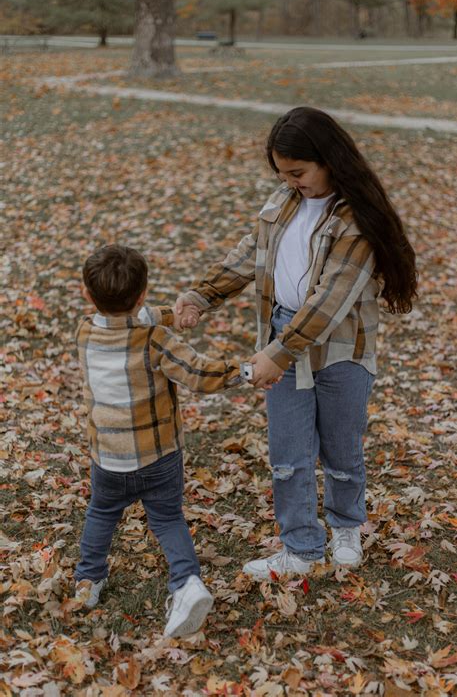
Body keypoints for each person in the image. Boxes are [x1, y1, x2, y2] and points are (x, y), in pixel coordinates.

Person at [175, 106, 418, 580]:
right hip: (282, 329)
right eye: (284, 174)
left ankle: (346, 526)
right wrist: (203, 295)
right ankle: (302, 548)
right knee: (288, 452)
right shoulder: (284, 201)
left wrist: (277, 353)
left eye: (299, 172)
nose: (292, 182)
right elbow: (252, 253)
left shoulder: (355, 221)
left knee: (342, 447)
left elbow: (329, 302)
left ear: (329, 161)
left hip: (342, 344)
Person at [74, 244, 245, 637]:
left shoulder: (84, 331)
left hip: (108, 459)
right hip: (159, 456)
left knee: (101, 515)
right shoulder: (154, 340)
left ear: (87, 295)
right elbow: (198, 373)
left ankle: (88, 581)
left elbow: (130, 316)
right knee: (167, 518)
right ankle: (186, 582)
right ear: (143, 293)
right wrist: (245, 372)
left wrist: (173, 314)